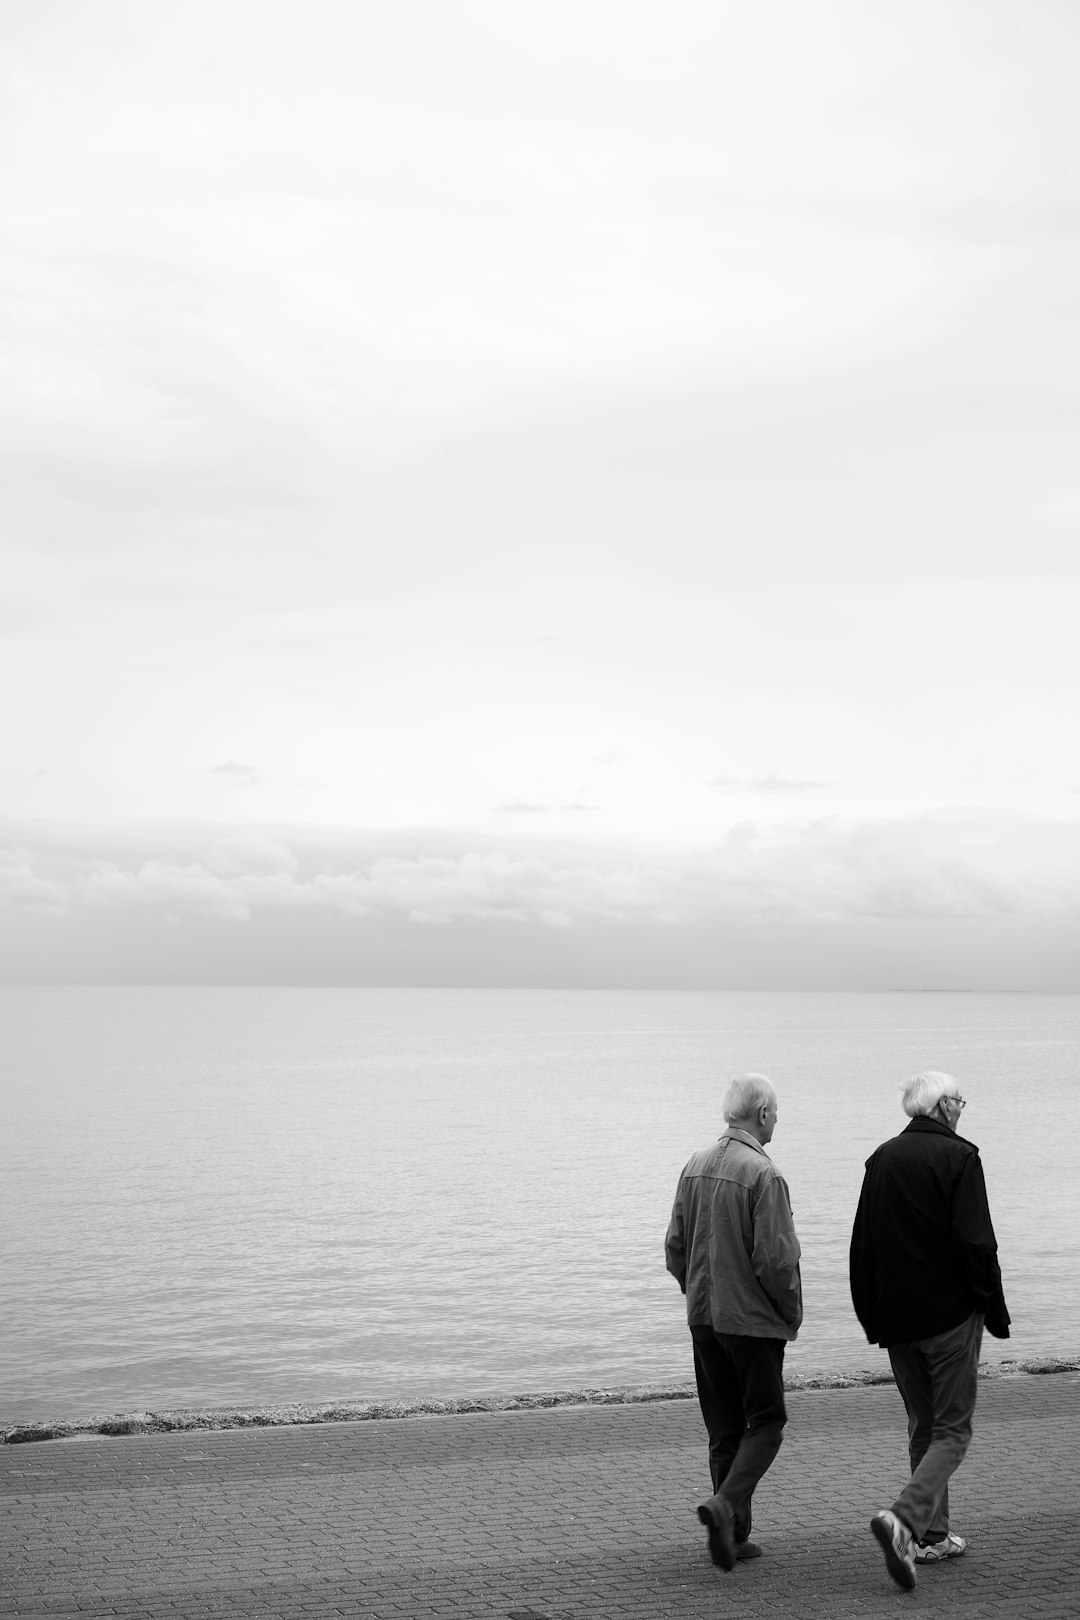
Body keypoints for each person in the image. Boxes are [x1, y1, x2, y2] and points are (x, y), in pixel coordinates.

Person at [849, 1070, 1010, 1591]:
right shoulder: (961, 1157)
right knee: (953, 1430)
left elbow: (862, 1248)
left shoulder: (881, 1159)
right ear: (941, 1107)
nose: (963, 1108)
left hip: (897, 1320)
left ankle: (933, 1536)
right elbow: (976, 1245)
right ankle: (903, 1519)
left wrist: (871, 1317)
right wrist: (993, 1309)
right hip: (950, 1319)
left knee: (923, 1425)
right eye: (959, 1100)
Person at [664, 1073, 802, 1571]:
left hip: (705, 1317)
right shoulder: (765, 1175)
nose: (777, 1120)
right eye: (776, 1112)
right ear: (762, 1113)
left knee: (724, 1428)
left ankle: (733, 1537)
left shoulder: (694, 1165)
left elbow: (675, 1246)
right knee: (766, 1424)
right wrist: (789, 1312)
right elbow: (777, 1261)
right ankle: (725, 1510)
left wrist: (694, 1291)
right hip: (750, 1321)